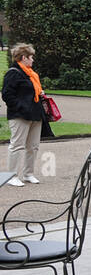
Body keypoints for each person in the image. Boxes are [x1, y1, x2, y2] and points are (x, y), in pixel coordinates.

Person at [3, 43, 48, 187]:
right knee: (17, 145)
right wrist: (21, 108)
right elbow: (7, 95)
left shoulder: (31, 74)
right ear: (23, 57)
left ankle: (28, 174)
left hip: (35, 114)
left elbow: (31, 92)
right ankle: (11, 176)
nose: (33, 60)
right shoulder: (13, 73)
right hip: (20, 115)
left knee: (33, 146)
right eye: (31, 57)